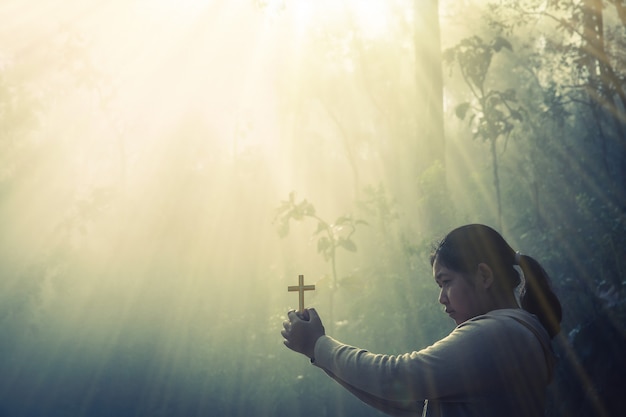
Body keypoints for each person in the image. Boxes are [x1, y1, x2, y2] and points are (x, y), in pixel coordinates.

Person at [281, 224, 562, 417]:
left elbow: (400, 376)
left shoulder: (500, 333)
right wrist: (316, 353)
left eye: (446, 282)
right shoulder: (517, 332)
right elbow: (411, 403)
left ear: (484, 276)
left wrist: (319, 344)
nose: (441, 298)